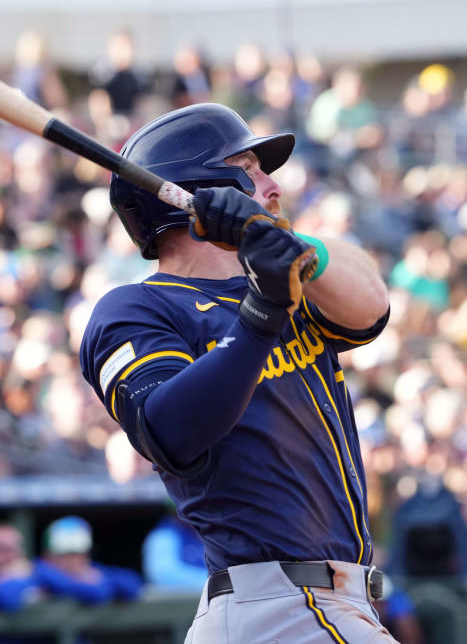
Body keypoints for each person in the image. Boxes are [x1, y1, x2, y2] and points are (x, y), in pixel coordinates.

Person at [80, 103, 394, 643]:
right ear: (202, 186)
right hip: (281, 605)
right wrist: (262, 314)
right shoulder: (137, 307)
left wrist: (283, 250)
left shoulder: (288, 281)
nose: (272, 184)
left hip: (315, 607)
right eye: (248, 168)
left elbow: (372, 308)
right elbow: (170, 431)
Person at [39, 516, 142, 602]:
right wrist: (84, 583)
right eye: (66, 554)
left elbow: (133, 584)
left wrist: (100, 578)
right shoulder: (40, 573)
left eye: (79, 553)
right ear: (48, 556)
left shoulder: (92, 572)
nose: (74, 560)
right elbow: (96, 592)